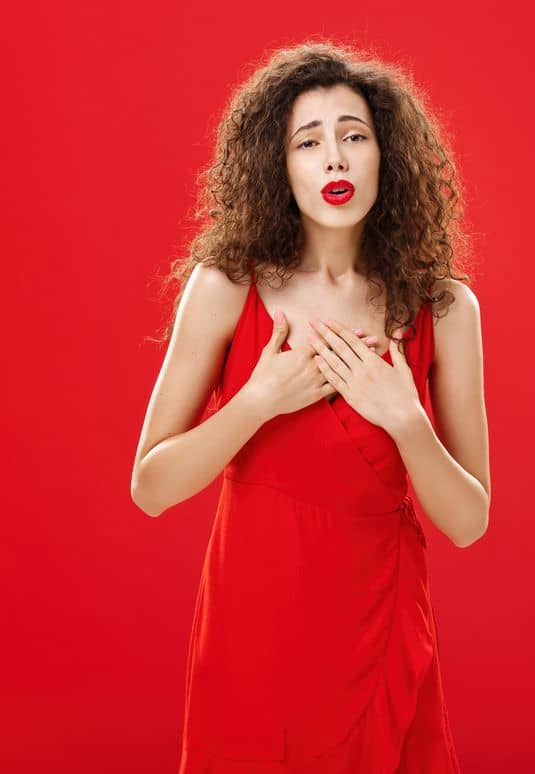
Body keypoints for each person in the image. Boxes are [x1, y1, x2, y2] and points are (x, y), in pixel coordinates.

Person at [129, 40, 489, 772]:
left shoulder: (446, 308)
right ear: (279, 165)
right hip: (253, 621)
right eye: (309, 141)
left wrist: (407, 421)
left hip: (381, 616)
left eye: (354, 136)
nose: (335, 159)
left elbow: (470, 521)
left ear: (386, 155)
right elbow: (151, 487)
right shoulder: (224, 286)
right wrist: (258, 399)